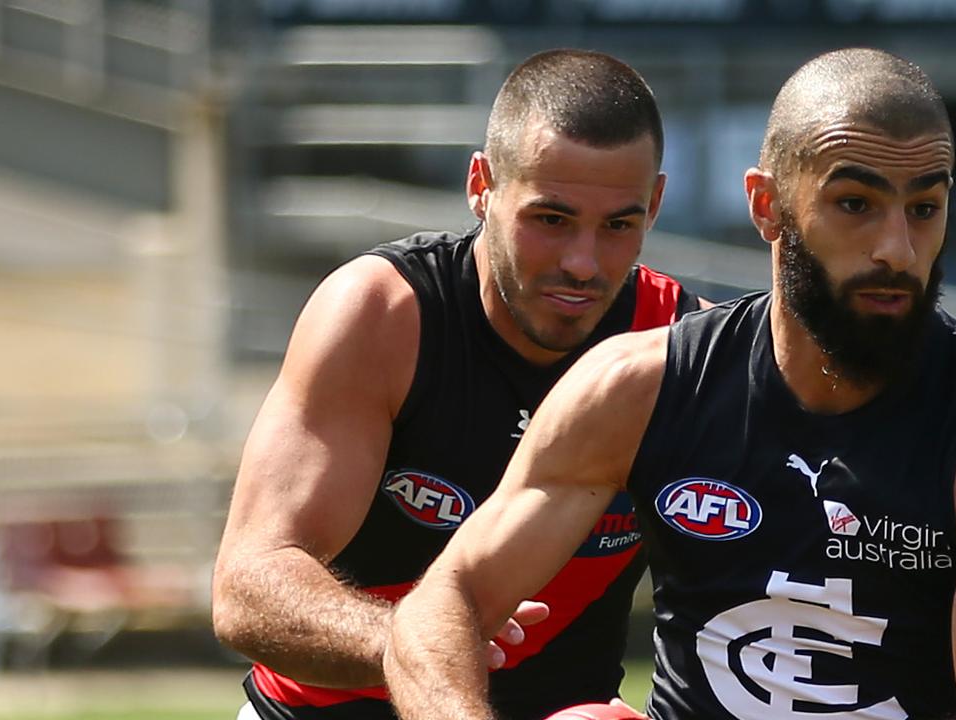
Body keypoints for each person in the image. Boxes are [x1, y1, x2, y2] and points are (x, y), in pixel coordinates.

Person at [383, 48, 956, 720]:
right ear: (768, 207)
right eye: (855, 203)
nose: (896, 249)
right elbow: (446, 603)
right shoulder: (636, 388)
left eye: (924, 208)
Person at [211, 49, 706, 720]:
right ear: (482, 185)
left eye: (619, 224)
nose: (582, 264)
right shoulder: (383, 316)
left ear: (654, 205)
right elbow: (248, 588)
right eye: (550, 219)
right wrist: (426, 641)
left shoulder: (680, 352)